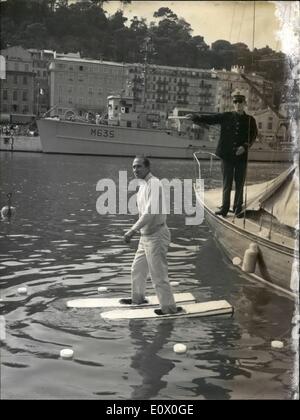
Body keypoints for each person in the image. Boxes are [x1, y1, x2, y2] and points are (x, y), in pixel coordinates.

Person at [122, 156, 180, 315]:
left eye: (139, 166)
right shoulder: (142, 185)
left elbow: (150, 213)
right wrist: (138, 231)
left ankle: (169, 309)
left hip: (157, 235)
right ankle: (138, 300)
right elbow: (143, 213)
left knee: (158, 276)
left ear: (147, 167)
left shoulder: (154, 183)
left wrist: (132, 230)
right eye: (133, 167)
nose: (135, 170)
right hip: (145, 237)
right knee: (137, 270)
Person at [186, 90, 258, 218]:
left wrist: (245, 147)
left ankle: (237, 208)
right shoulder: (226, 116)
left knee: (240, 182)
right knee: (227, 182)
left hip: (242, 156)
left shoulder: (250, 120)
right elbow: (210, 119)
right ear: (233, 103)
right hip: (227, 156)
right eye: (235, 102)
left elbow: (253, 136)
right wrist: (195, 117)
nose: (238, 104)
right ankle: (225, 208)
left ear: (244, 103)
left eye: (240, 102)